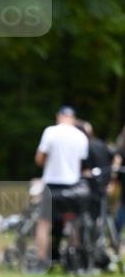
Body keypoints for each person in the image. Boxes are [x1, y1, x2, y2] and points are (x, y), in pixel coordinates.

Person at [34, 106, 88, 264]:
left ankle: (41, 260)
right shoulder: (81, 136)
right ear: (73, 119)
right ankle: (75, 259)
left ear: (59, 116)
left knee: (44, 223)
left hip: (52, 184)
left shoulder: (50, 132)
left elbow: (40, 159)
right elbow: (81, 163)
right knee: (73, 222)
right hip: (73, 186)